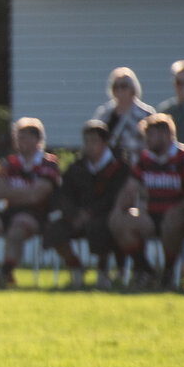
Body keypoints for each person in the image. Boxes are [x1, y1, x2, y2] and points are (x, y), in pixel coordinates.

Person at [109, 113, 184, 290]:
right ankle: (146, 270)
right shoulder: (146, 159)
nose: (147, 141)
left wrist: (180, 209)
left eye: (150, 136)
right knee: (120, 221)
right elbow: (130, 188)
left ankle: (169, 272)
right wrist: (118, 209)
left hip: (182, 216)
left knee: (171, 221)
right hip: (153, 215)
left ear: (166, 135)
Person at [52, 120, 128, 289]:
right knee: (54, 229)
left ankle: (104, 271)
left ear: (105, 142)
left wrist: (90, 213)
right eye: (86, 141)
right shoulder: (77, 167)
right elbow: (65, 194)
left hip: (105, 214)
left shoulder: (119, 167)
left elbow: (115, 197)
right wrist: (73, 214)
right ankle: (75, 266)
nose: (89, 145)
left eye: (94, 141)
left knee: (102, 227)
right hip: (78, 215)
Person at [0, 118, 61, 290]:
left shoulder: (48, 163)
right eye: (18, 137)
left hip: (37, 214)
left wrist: (11, 192)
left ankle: (5, 271)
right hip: (10, 211)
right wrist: (26, 192)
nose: (19, 142)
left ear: (37, 140)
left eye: (24, 138)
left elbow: (37, 197)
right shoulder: (10, 163)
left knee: (17, 228)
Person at [95, 67, 154, 161]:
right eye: (116, 86)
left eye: (123, 86)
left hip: (137, 164)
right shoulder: (105, 113)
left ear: (133, 88)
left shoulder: (146, 114)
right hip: (110, 166)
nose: (119, 90)